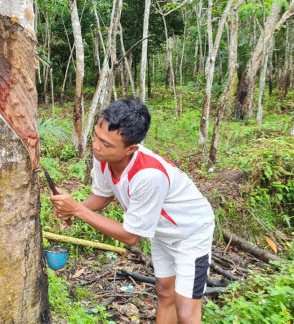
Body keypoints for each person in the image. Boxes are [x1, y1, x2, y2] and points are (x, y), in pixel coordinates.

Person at [50, 97, 215, 324]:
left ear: (132, 148)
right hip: (161, 231)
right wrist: (69, 208)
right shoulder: (103, 156)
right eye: (96, 137)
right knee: (165, 291)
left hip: (190, 233)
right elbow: (103, 195)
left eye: (107, 144)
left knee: (187, 311)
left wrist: (78, 210)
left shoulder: (148, 175)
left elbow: (130, 236)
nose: (97, 146)